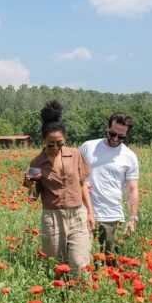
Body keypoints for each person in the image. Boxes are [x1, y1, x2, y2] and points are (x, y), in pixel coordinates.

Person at [24, 101, 95, 277]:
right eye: (50, 144)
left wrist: (91, 213)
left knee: (79, 262)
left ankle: (79, 298)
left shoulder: (75, 155)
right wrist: (30, 185)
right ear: (43, 141)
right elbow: (33, 197)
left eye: (59, 143)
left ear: (65, 139)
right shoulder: (37, 163)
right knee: (56, 264)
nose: (55, 147)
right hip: (52, 217)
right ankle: (61, 297)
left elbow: (82, 184)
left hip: (78, 214)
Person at [79, 112, 140, 263]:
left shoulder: (130, 157)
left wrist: (132, 218)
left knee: (108, 261)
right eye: (112, 134)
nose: (115, 139)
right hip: (83, 211)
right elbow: (74, 174)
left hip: (110, 215)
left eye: (121, 137)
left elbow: (132, 190)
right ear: (107, 127)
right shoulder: (88, 147)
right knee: (81, 259)